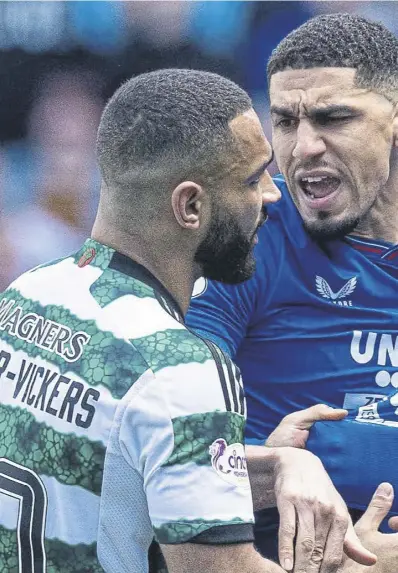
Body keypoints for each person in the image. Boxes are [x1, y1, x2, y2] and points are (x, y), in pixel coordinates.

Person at [0, 68, 374, 573]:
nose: (273, 194)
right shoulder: (179, 368)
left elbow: (123, 467)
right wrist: (368, 563)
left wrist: (276, 461)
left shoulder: (29, 295)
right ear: (190, 205)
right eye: (252, 178)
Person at [186, 12, 398, 567]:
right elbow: (163, 439)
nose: (303, 147)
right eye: (284, 121)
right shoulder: (253, 232)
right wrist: (265, 467)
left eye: (333, 118)